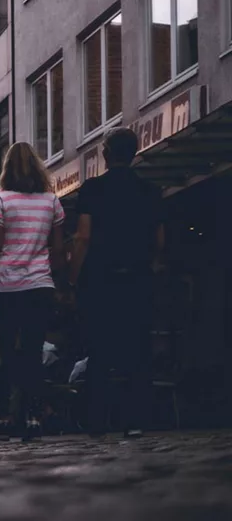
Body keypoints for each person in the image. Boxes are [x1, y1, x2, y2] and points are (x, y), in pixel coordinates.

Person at [70, 127, 165, 439]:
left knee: (99, 350)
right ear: (134, 152)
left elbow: (83, 236)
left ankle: (98, 421)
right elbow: (159, 240)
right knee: (137, 349)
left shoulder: (92, 189)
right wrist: (150, 269)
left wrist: (73, 278)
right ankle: (137, 419)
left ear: (107, 154)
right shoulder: (150, 190)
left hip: (100, 282)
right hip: (137, 280)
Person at [0, 141, 66, 442]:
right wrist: (58, 281)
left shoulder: (1, 199)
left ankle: (5, 414)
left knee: (5, 351)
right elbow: (57, 248)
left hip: (7, 285)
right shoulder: (51, 201)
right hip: (39, 284)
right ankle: (33, 414)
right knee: (33, 350)